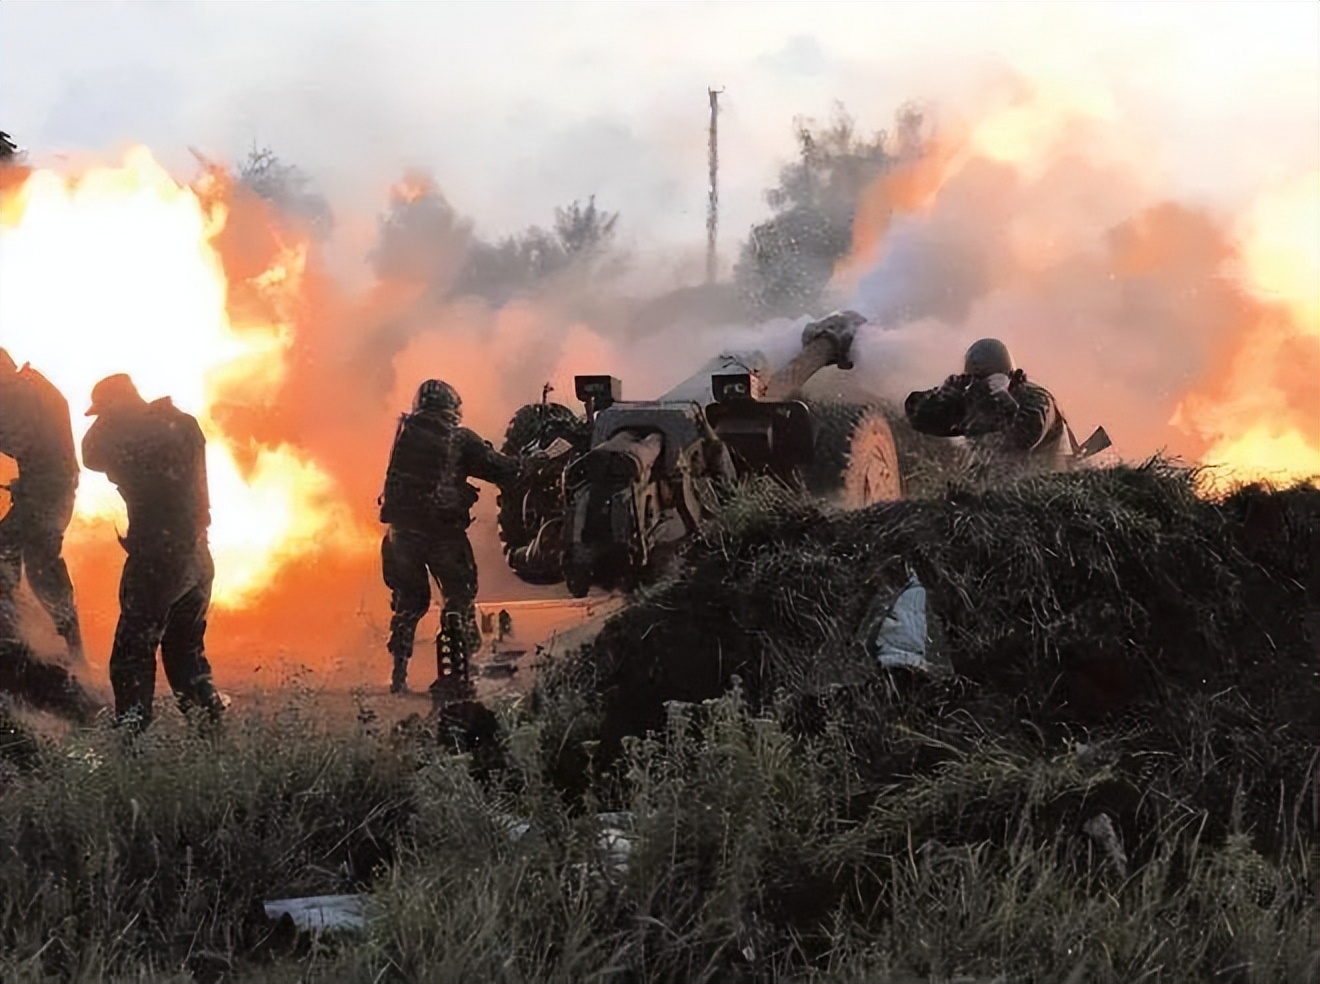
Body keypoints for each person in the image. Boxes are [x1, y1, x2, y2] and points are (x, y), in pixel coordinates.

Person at [81, 373, 226, 729]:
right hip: (197, 554)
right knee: (184, 653)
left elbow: (90, 454)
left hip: (157, 560)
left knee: (131, 654)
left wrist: (116, 415)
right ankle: (211, 730)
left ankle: (132, 739)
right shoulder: (182, 424)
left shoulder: (130, 435)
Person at [378, 379, 522, 701]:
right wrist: (529, 462)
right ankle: (458, 675)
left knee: (409, 603)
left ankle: (398, 677)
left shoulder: (405, 435)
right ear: (451, 406)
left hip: (399, 534)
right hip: (442, 532)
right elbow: (502, 469)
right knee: (458, 598)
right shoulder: (459, 438)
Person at [0, 349, 84, 659]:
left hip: (47, 491)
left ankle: (12, 641)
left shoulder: (19, 394)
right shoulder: (31, 386)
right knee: (37, 564)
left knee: (30, 562)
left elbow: (18, 439)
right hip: (48, 487)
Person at [905, 338, 1068, 476]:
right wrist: (943, 395)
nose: (980, 386)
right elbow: (919, 419)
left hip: (1038, 491)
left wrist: (998, 399)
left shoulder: (1036, 399)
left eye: (986, 380)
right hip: (992, 496)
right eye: (975, 381)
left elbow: (1023, 437)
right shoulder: (978, 401)